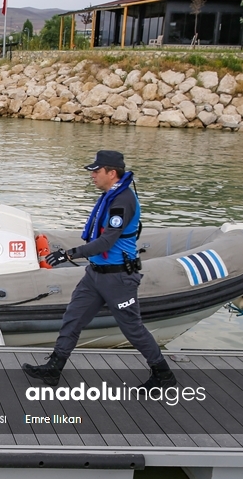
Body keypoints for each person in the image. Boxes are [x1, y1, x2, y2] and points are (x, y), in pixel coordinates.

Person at [23, 150, 176, 389]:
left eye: (96, 171)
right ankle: (53, 369)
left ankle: (164, 375)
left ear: (112, 173)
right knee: (73, 318)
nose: (92, 175)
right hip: (95, 274)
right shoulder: (109, 195)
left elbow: (106, 242)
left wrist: (68, 254)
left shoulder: (123, 201)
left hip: (119, 278)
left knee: (132, 329)